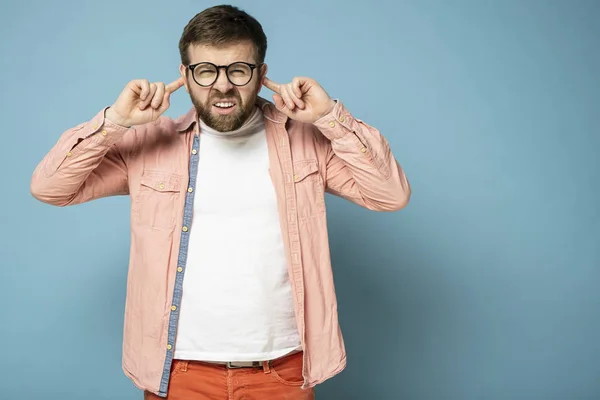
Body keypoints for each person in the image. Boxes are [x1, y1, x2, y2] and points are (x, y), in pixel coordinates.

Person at [30, 4, 411, 399]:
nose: (223, 86)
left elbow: (390, 194)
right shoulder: (149, 144)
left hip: (281, 373)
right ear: (185, 76)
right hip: (178, 373)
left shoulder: (306, 141)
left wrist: (330, 116)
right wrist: (115, 122)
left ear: (262, 76)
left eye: (238, 70)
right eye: (206, 70)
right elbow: (51, 186)